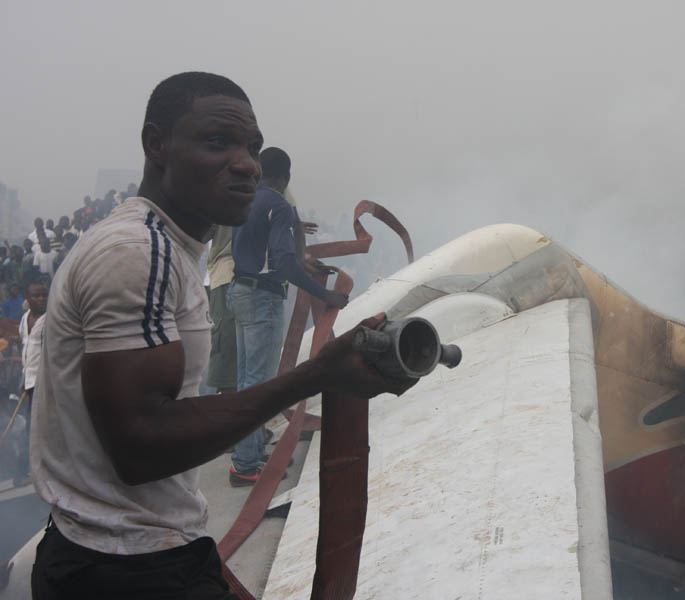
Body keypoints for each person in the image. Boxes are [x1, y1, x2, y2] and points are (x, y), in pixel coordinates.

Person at [29, 71, 413, 600]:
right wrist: (314, 376)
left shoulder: (170, 246)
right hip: (131, 571)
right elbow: (140, 446)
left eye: (252, 148)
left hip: (108, 554)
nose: (244, 163)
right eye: (218, 142)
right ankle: (249, 464)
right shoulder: (139, 253)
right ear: (156, 145)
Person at [228, 147, 349, 485]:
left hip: (240, 291)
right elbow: (281, 262)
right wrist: (323, 293)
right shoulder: (278, 205)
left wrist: (302, 262)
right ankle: (245, 465)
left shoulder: (246, 199)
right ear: (286, 177)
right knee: (260, 385)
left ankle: (247, 452)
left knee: (246, 381)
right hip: (263, 297)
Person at [15, 279, 47, 487]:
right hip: (29, 382)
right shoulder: (25, 318)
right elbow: (25, 350)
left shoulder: (51, 319)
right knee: (30, 429)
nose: (41, 299)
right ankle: (27, 471)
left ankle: (43, 471)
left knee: (44, 428)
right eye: (36, 295)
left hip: (46, 382)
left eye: (44, 295)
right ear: (28, 299)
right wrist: (24, 378)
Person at [205, 224, 237, 396]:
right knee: (230, 345)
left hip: (226, 274)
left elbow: (201, 233)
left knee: (228, 345)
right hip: (228, 275)